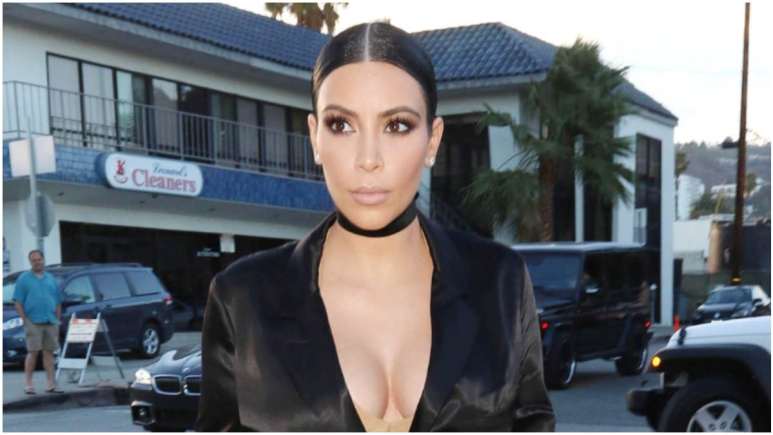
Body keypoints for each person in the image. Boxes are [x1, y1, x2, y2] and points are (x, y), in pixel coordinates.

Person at [195, 21, 555, 432]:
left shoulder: (500, 281)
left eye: (396, 125)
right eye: (341, 125)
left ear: (432, 140)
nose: (368, 158)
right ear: (315, 137)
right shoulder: (243, 299)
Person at [12, 249, 64, 394]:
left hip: (50, 321)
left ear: (43, 260)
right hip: (33, 321)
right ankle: (29, 385)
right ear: (30, 262)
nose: (37, 262)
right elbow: (17, 302)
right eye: (33, 260)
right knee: (33, 352)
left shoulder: (51, 278)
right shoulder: (24, 279)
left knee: (49, 353)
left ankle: (50, 384)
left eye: (39, 259)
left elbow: (58, 302)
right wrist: (25, 320)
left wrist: (57, 320)